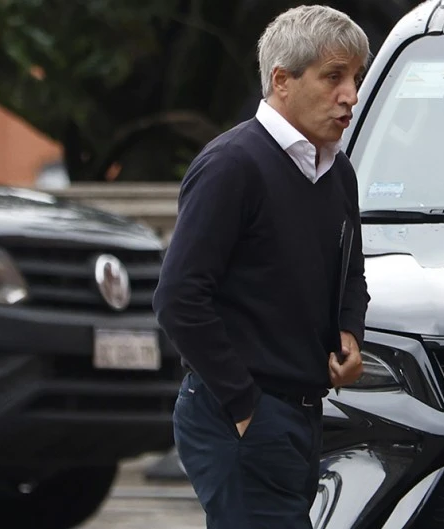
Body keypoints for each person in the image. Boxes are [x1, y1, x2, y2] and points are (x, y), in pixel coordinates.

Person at [152, 5, 371, 528]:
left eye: (356, 78)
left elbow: (351, 274)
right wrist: (244, 405)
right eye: (333, 76)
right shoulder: (232, 165)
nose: (351, 95)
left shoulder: (337, 172)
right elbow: (178, 299)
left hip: (302, 412)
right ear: (282, 81)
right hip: (239, 412)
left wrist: (349, 332)